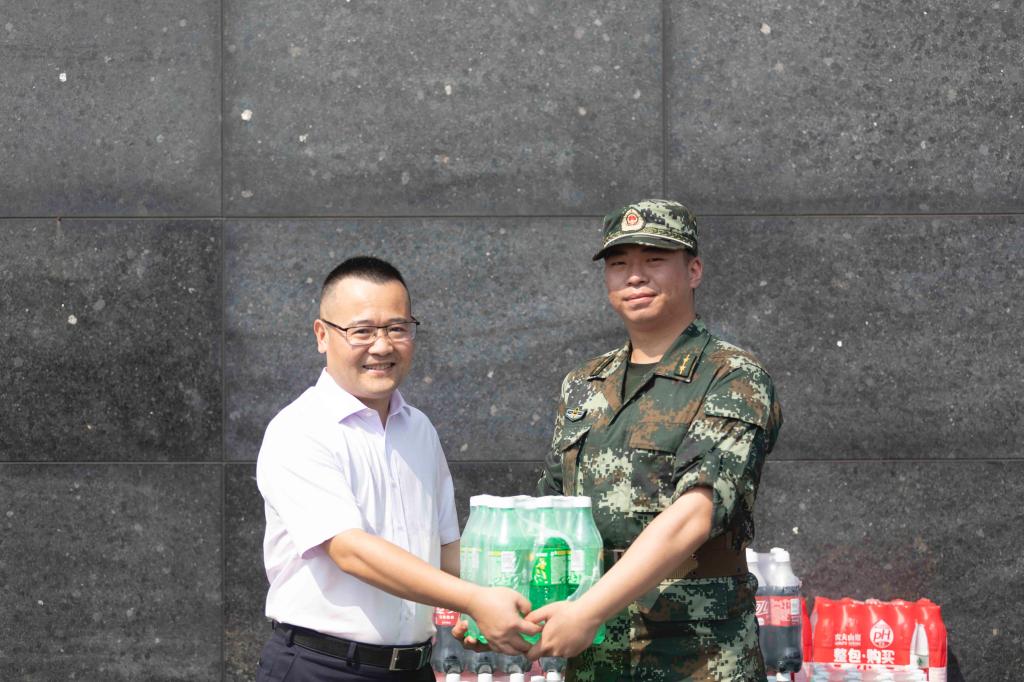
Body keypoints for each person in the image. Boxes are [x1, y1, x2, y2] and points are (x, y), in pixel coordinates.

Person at [530, 200, 783, 680]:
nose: (635, 276)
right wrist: (503, 610)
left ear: (694, 270)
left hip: (696, 658)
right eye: (619, 264)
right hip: (595, 658)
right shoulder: (583, 384)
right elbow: (550, 515)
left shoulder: (732, 377)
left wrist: (588, 610)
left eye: (654, 259)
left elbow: (696, 513)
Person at [255, 256, 539, 681]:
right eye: (362, 331)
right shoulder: (299, 429)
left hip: (415, 668)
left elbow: (447, 552)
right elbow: (351, 551)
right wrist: (475, 600)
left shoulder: (418, 428)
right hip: (323, 669)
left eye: (397, 328)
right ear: (322, 335)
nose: (382, 346)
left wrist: (507, 604)